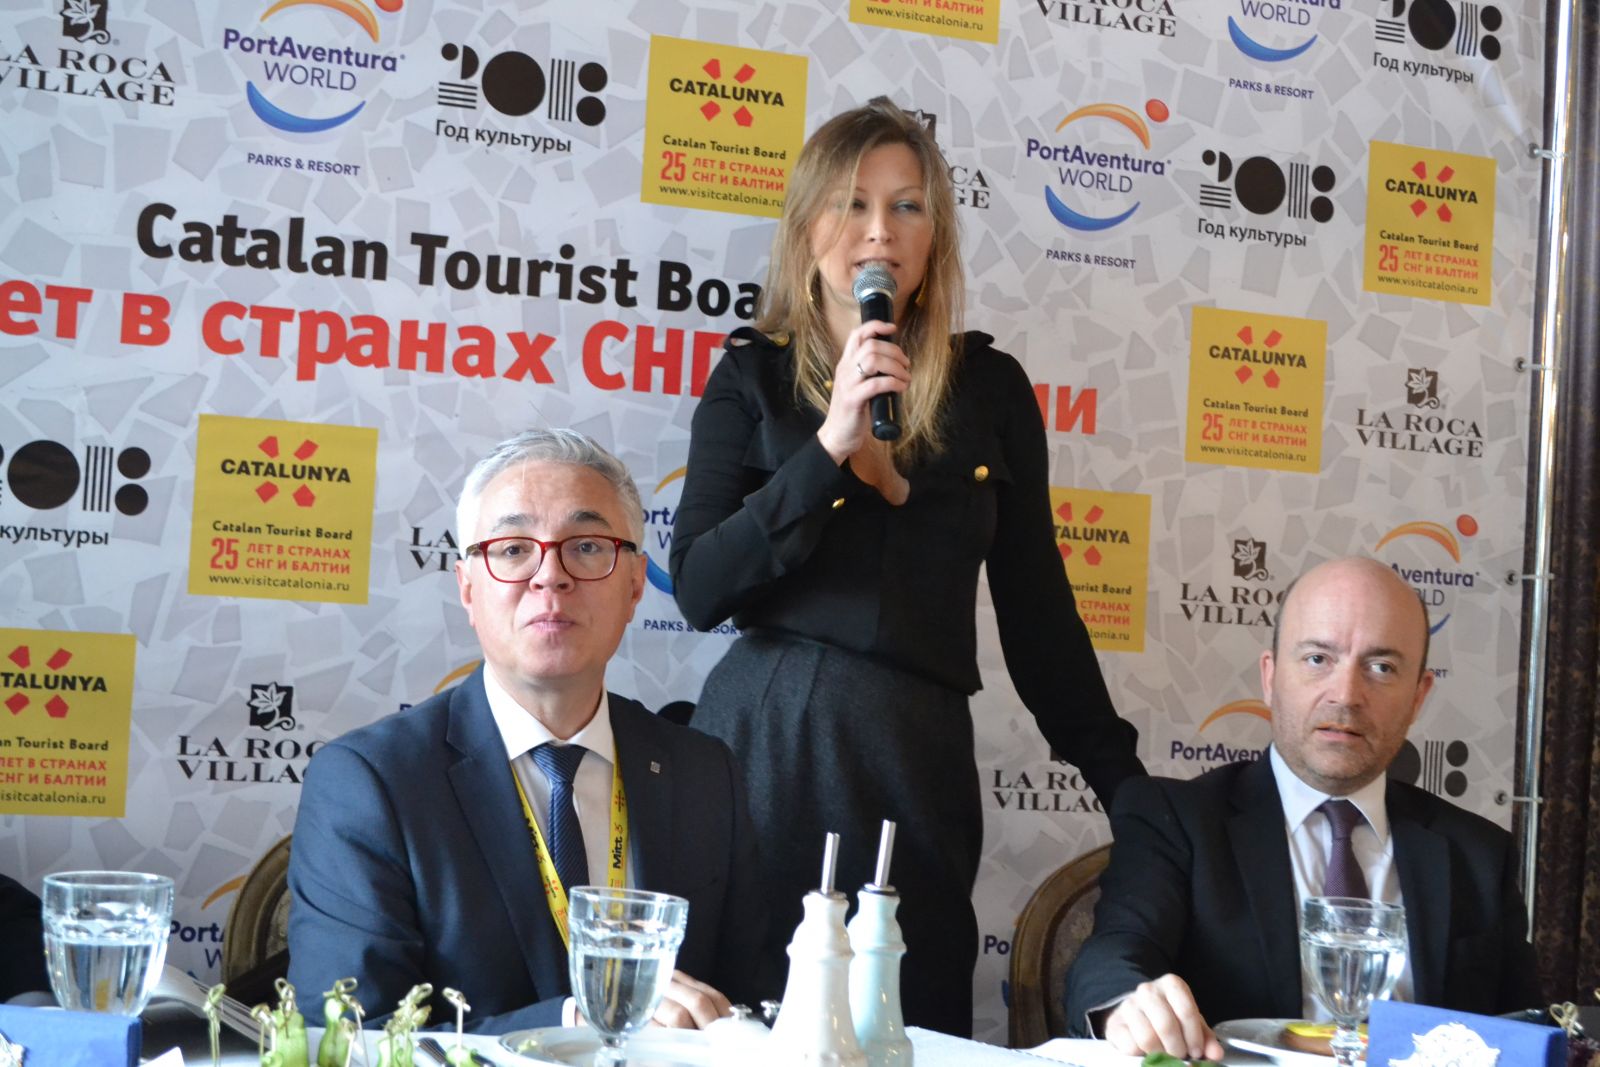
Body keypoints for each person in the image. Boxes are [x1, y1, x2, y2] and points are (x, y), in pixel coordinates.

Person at [669, 97, 1145, 1036]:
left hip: (915, 757)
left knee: (907, 1017)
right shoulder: (752, 379)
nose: (880, 230)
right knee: (753, 1019)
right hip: (770, 750)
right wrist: (828, 451)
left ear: (936, 238)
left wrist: (1127, 788)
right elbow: (698, 587)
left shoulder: (990, 389)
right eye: (852, 203)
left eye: (908, 206)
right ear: (808, 228)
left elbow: (1038, 613)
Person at [287, 429, 770, 1033]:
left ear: (633, 586)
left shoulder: (703, 771)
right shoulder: (372, 782)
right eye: (514, 549)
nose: (551, 576)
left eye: (587, 546)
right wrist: (575, 1022)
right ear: (468, 587)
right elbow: (349, 1037)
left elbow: (752, 1004)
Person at [1063, 556, 1541, 1061]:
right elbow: (1115, 951)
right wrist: (1125, 1003)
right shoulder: (1176, 820)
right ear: (1270, 677)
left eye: (1381, 667)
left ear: (1418, 697)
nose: (1346, 695)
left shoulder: (1478, 854)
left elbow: (1527, 1033)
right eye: (1317, 659)